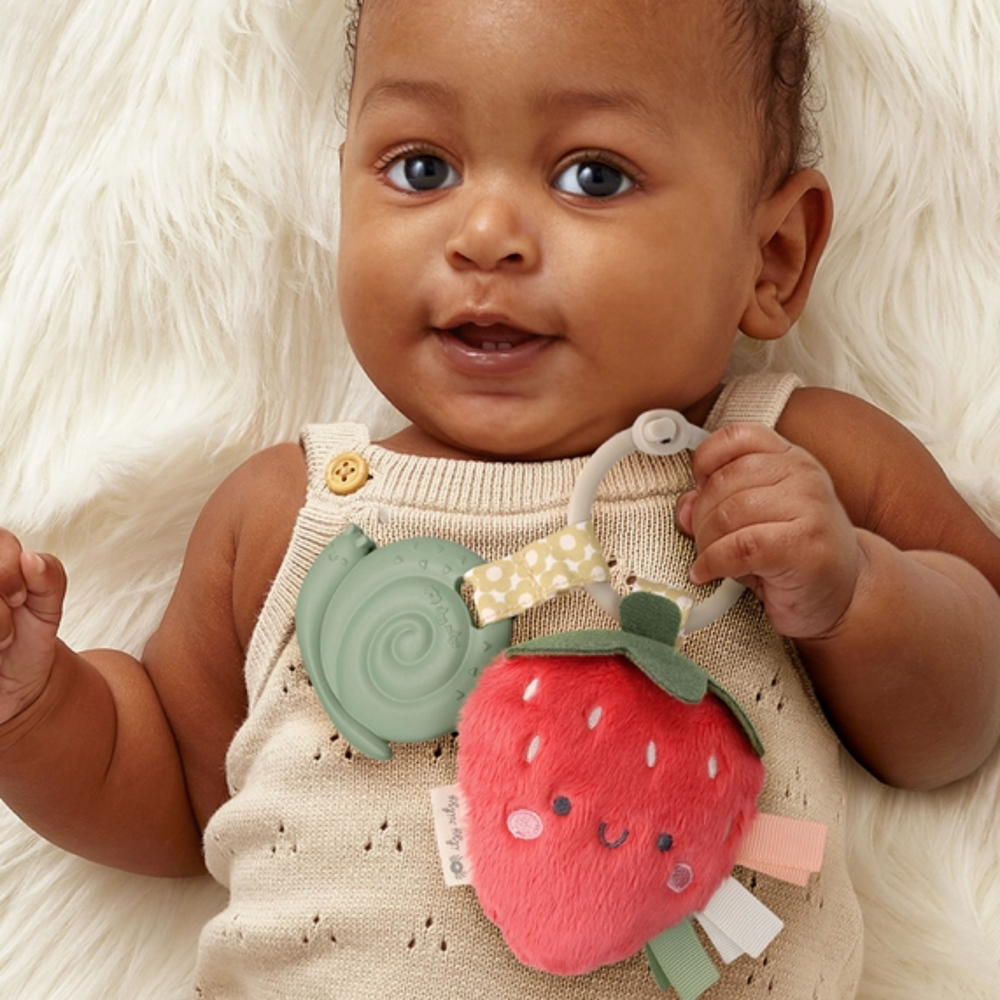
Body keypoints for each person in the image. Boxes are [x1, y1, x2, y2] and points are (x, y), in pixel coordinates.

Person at [1, 0, 999, 996]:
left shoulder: (779, 457)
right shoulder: (290, 511)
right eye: (422, 169)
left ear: (771, 255)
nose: (483, 235)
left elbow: (963, 717)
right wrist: (36, 702)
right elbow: (174, 779)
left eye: (592, 177)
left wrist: (856, 592)